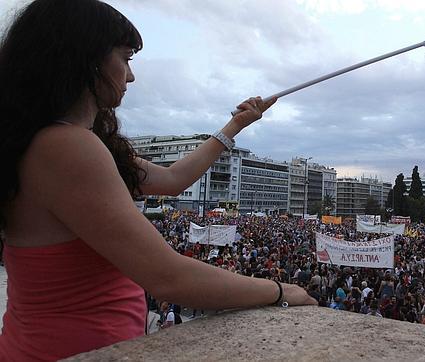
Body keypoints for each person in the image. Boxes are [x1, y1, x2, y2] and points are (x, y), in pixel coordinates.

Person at [0, 0, 315, 359]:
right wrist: (279, 291)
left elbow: (172, 179)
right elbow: (168, 277)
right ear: (86, 57)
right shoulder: (66, 146)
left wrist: (235, 126)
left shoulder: (49, 141)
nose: (131, 75)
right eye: (125, 57)